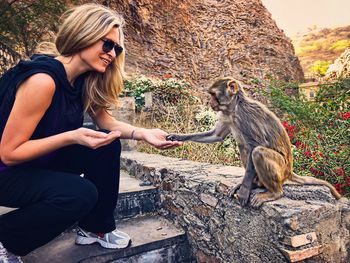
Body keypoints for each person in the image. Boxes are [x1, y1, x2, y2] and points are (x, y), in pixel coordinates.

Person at [0, 3, 181, 262]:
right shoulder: (42, 81)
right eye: (106, 44)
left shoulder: (83, 81)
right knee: (79, 194)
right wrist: (72, 136)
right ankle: (7, 239)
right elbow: (9, 154)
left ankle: (95, 228)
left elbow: (106, 121)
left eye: (116, 48)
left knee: (108, 144)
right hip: (7, 173)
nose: (111, 53)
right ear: (83, 34)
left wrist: (143, 133)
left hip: (34, 165)